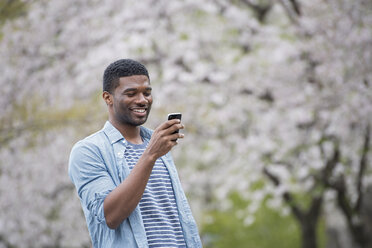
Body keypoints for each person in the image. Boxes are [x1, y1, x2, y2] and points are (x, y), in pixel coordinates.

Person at [68, 59, 202, 247]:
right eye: (131, 93)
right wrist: (150, 155)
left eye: (147, 93)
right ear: (108, 98)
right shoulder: (88, 151)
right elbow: (111, 215)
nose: (142, 100)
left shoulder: (155, 143)